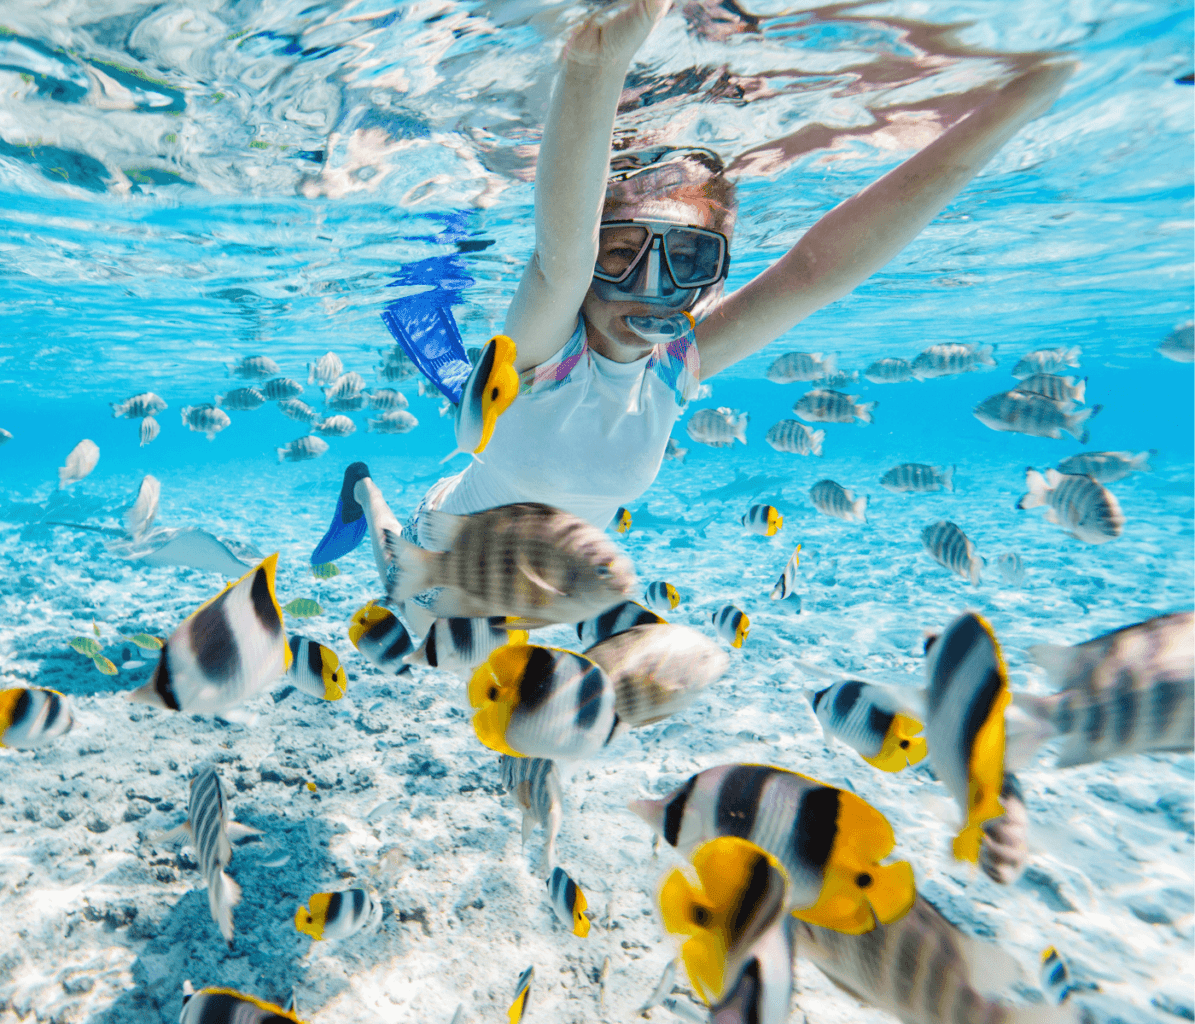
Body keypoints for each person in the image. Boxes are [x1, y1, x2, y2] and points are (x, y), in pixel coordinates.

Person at [397, 0, 1071, 548]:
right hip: (435, 550)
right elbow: (558, 261)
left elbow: (814, 271)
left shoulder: (673, 367)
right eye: (618, 252)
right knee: (471, 398)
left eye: (687, 259)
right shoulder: (550, 351)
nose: (650, 283)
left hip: (543, 588)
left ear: (715, 276)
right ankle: (442, 357)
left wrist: (1004, 114)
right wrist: (594, 64)